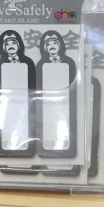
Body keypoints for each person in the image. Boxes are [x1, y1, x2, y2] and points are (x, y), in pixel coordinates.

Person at [0, 29, 35, 156]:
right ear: (3, 48)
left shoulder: (28, 62)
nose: (10, 46)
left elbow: (33, 86)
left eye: (13, 42)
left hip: (25, 105)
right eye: (7, 44)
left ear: (19, 45)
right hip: (7, 107)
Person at [37, 29, 77, 157]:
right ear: (44, 47)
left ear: (60, 45)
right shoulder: (41, 64)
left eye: (54, 43)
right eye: (48, 44)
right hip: (47, 108)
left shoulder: (69, 62)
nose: (51, 46)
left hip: (66, 106)